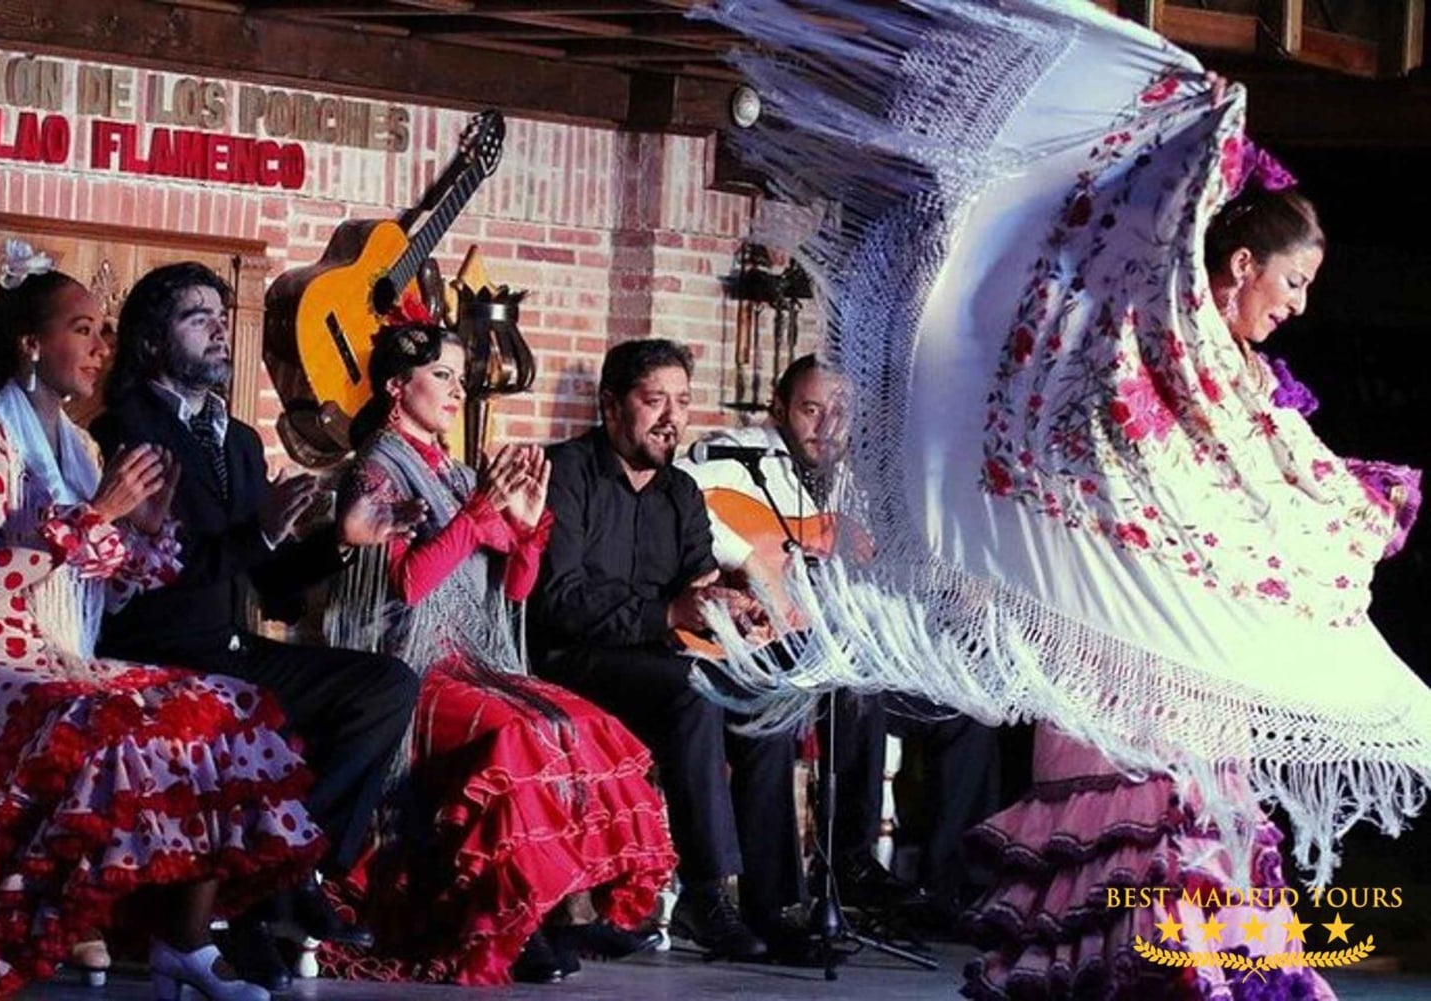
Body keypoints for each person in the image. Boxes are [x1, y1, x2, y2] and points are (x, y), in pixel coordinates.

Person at [688, 3, 1431, 999]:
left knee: (1188, 832)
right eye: (1291, 281)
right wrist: (1199, 135)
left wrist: (1339, 509)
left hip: (1182, 651)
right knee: (1133, 829)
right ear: (1242, 264)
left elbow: (1260, 485)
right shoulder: (1164, 347)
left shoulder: (1247, 384)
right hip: (1113, 635)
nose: (1296, 307)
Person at [0, 265, 325, 1000]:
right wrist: (100, 514)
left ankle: (186, 944)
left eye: (101, 331)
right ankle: (64, 923)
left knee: (225, 707)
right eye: (81, 330)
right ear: (30, 343)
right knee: (119, 721)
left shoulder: (79, 449)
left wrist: (142, 536)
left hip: (59, 655)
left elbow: (105, 585)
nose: (98, 346)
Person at [312, 319, 677, 985]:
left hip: (476, 656)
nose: (457, 390)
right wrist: (479, 514)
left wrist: (529, 528)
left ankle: (561, 906)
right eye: (442, 376)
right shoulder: (373, 468)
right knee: (523, 734)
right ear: (398, 386)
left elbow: (515, 587)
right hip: (406, 665)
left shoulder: (454, 471)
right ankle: (510, 918)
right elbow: (410, 583)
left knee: (583, 723)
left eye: (460, 377)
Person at [91, 262, 421, 991]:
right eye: (195, 315)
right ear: (149, 343)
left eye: (220, 312)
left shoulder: (237, 440)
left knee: (387, 684)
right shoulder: (122, 432)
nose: (217, 327)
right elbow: (158, 572)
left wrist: (340, 537)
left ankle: (288, 874)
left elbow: (267, 585)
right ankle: (267, 899)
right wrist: (263, 533)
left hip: (233, 649)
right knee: (247, 711)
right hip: (160, 655)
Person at [532, 338, 808, 962]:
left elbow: (698, 585)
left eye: (682, 403)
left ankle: (771, 904)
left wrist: (732, 609)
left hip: (659, 660)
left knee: (766, 696)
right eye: (654, 400)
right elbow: (559, 601)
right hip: (575, 661)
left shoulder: (681, 491)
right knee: (693, 692)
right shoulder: (567, 475)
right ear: (610, 405)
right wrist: (667, 612)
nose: (672, 419)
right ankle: (705, 897)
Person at [677, 354, 959, 913]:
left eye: (838, 414)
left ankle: (940, 887)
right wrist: (749, 560)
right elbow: (675, 496)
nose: (825, 428)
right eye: (810, 410)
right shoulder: (733, 457)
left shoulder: (857, 489)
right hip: (757, 644)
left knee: (948, 709)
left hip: (823, 643)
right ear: (779, 407)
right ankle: (822, 874)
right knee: (851, 681)